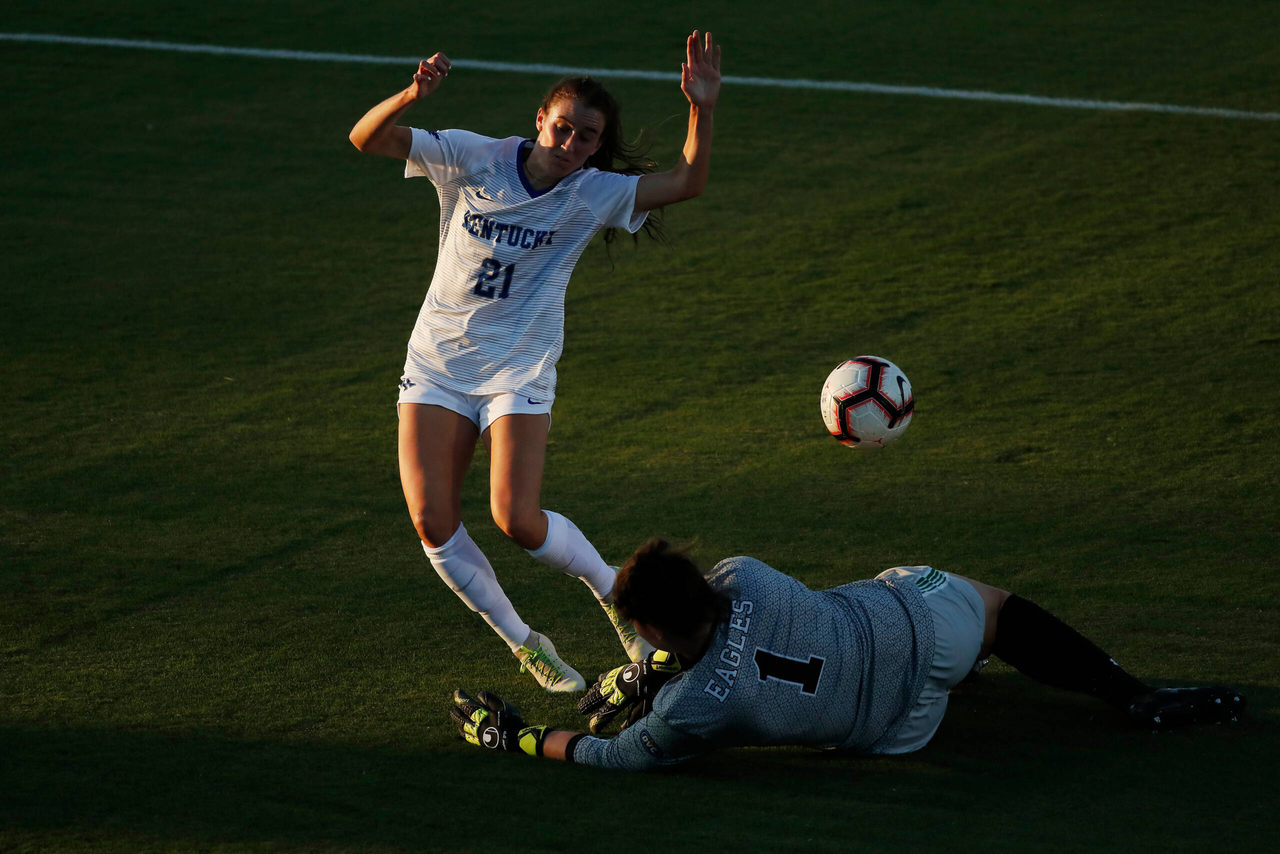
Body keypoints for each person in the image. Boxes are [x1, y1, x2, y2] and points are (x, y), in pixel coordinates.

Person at [348, 34, 722, 692]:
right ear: (541, 121)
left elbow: (689, 181)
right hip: (438, 364)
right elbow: (366, 139)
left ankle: (615, 596)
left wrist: (702, 108)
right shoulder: (473, 157)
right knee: (432, 521)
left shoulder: (595, 193)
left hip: (517, 372)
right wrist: (412, 95)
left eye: (587, 137)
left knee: (516, 519)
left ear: (597, 147)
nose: (572, 143)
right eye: (564, 127)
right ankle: (525, 644)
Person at [450, 539, 1246, 769]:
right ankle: (1128, 691)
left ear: (654, 633)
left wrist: (514, 736)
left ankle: (958, 678)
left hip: (895, 733)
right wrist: (647, 668)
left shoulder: (694, 712)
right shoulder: (746, 576)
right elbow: (713, 626)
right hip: (917, 630)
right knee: (995, 608)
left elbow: (610, 756)